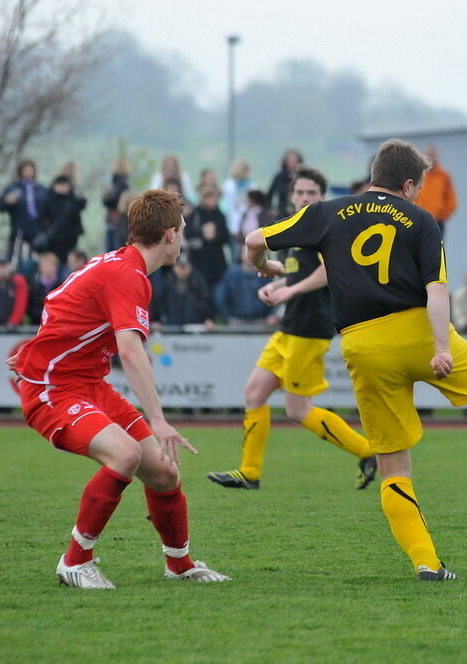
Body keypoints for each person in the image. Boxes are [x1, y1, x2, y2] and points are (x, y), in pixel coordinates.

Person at [246, 138, 467, 581]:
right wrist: (442, 348)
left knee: (393, 467)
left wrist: (265, 267)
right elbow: (437, 290)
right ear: (407, 185)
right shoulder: (423, 221)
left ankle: (427, 564)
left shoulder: (326, 212)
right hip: (417, 334)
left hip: (362, 344)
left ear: (374, 174)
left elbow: (255, 238)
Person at [11, 189, 229, 589]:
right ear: (167, 235)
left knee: (163, 472)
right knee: (126, 454)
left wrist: (41, 346)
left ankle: (180, 564)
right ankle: (75, 562)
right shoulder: (127, 275)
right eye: (180, 230)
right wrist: (159, 420)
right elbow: (130, 351)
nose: (182, 238)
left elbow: (60, 303)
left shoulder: (120, 266)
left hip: (88, 384)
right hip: (54, 389)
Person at [207, 167, 376, 491]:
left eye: (311, 193)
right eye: (299, 193)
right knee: (253, 393)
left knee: (297, 410)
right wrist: (278, 284)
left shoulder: (327, 228)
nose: (304, 198)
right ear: (291, 196)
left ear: (322, 196)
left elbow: (329, 272)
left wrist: (290, 291)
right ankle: (250, 472)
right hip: (289, 328)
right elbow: (299, 275)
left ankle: (367, 451)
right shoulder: (297, 229)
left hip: (311, 329)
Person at [0, 160, 48, 262]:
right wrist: (7, 201)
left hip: (37, 230)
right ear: (21, 171)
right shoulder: (13, 188)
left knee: (35, 260)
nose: (29, 172)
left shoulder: (41, 189)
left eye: (31, 170)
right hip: (18, 230)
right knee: (15, 259)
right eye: (26, 170)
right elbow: (0, 205)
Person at [150, 254, 216, 329]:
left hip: (195, 328)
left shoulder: (199, 284)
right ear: (173, 268)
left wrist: (209, 319)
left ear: (191, 267)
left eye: (184, 266)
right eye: (179, 266)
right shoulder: (166, 284)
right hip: (171, 328)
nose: (182, 270)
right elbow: (158, 304)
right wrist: (156, 320)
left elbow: (208, 304)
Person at [184, 186, 230, 289]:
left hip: (217, 263)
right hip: (199, 263)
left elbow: (226, 237)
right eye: (212, 198)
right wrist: (202, 233)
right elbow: (188, 235)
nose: (215, 201)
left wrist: (215, 234)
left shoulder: (219, 215)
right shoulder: (195, 215)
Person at [214, 248, 274, 326]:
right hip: (236, 321)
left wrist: (273, 315)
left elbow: (274, 295)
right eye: (247, 252)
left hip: (261, 321)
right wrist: (227, 318)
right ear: (241, 255)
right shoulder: (231, 275)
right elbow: (220, 298)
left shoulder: (265, 275)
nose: (249, 255)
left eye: (254, 252)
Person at [37, 175, 86, 263]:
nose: (63, 188)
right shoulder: (49, 201)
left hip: (69, 239)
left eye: (65, 185)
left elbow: (76, 219)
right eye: (60, 185)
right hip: (53, 240)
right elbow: (42, 219)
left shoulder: (72, 201)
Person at [415, 145, 457, 237]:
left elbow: (451, 198)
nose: (430, 158)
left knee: (437, 248)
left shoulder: (444, 176)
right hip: (419, 220)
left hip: (437, 221)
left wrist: (444, 214)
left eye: (432, 155)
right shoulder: (417, 175)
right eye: (428, 155)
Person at [101, 157, 131, 252]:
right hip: (117, 221)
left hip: (115, 221)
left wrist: (106, 196)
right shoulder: (123, 184)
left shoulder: (119, 184)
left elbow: (111, 200)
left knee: (112, 250)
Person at [222, 158, 256, 241]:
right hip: (231, 226)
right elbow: (226, 206)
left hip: (248, 226)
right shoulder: (228, 185)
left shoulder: (252, 185)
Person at [27, 252, 64, 324]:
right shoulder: (33, 287)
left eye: (51, 265)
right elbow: (29, 308)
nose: (48, 268)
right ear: (40, 267)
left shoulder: (62, 286)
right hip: (36, 325)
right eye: (45, 265)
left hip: (55, 325)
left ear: (56, 267)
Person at [267, 149, 303, 218]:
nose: (293, 163)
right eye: (291, 161)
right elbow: (270, 195)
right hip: (283, 211)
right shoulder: (279, 177)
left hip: (299, 210)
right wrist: (271, 209)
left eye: (295, 161)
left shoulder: (303, 176)